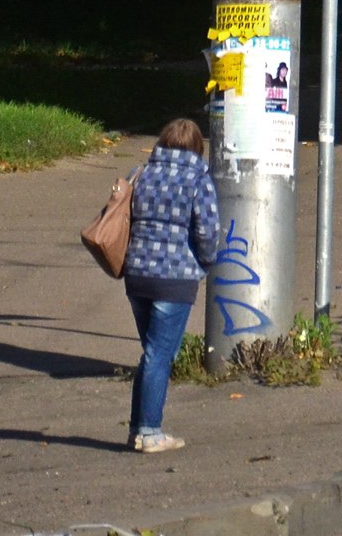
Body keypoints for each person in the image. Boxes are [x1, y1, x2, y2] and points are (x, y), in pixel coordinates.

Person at [123, 117, 221, 454]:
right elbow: (207, 232)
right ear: (197, 148)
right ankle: (150, 432)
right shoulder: (198, 180)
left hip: (136, 275)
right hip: (174, 277)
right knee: (159, 354)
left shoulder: (140, 173)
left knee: (152, 353)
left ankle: (137, 428)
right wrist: (203, 264)